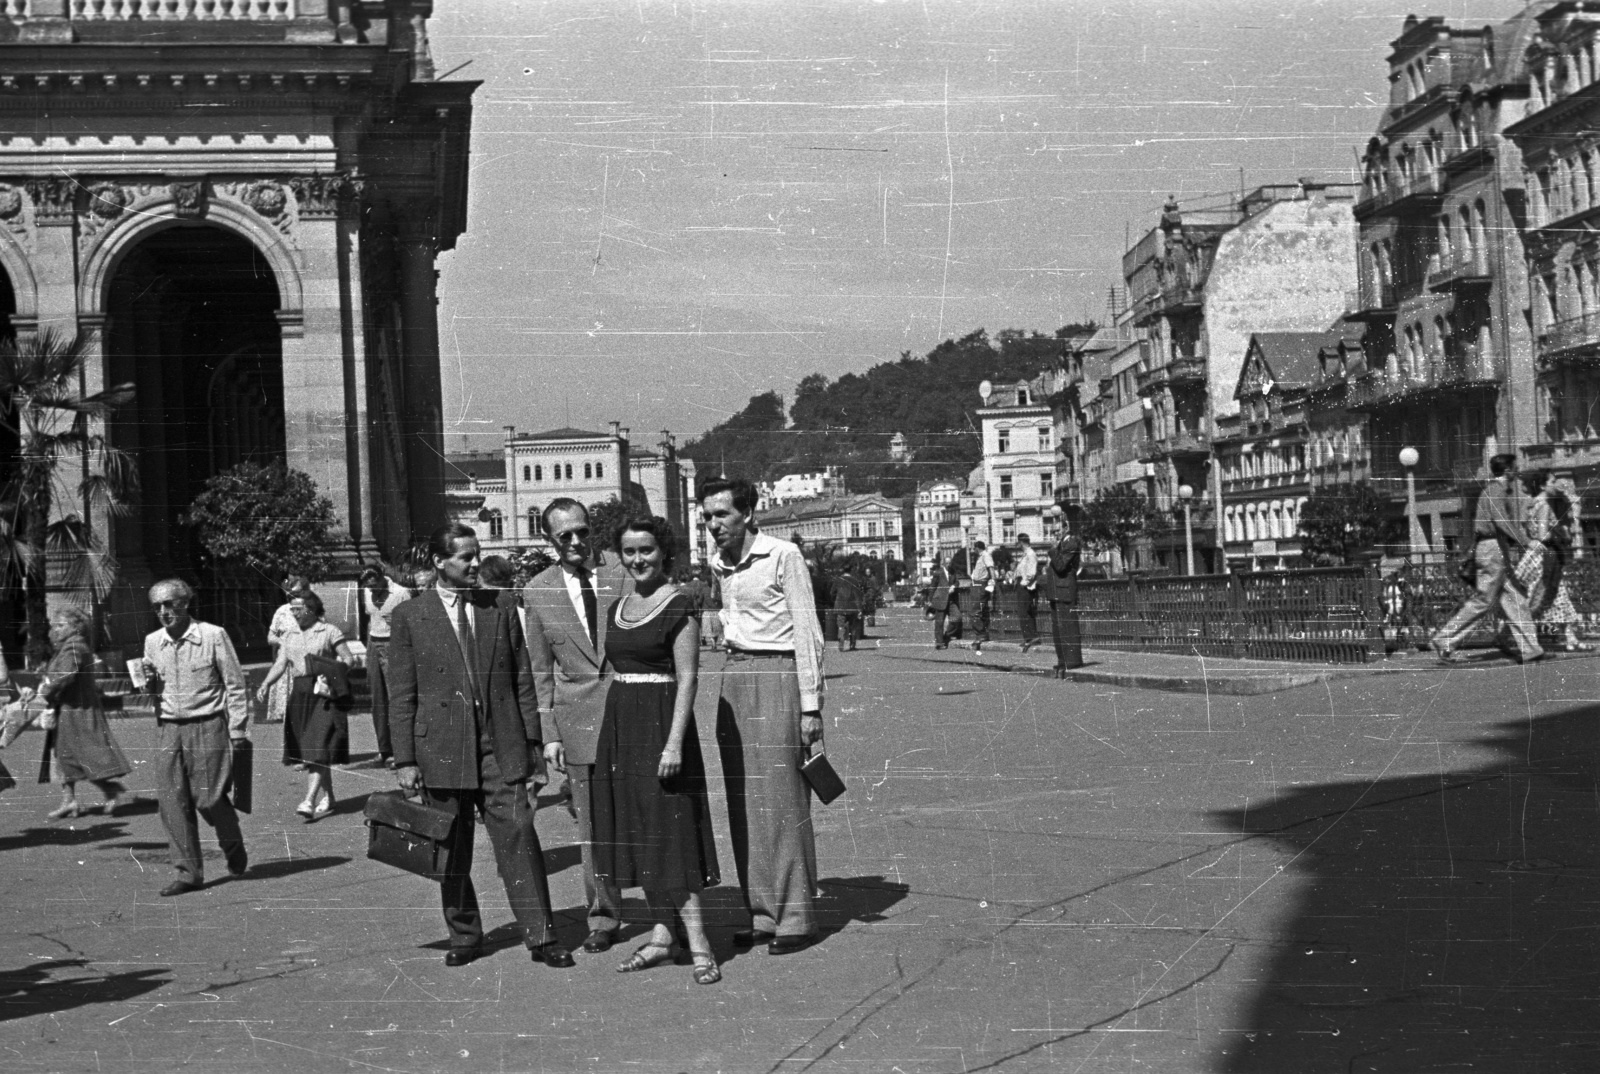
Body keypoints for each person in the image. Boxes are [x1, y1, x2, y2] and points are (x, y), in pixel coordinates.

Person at [390, 523, 571, 968]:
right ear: (438, 562)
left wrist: (532, 746)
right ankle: (465, 935)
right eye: (465, 557)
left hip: (500, 746)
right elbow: (402, 694)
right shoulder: (411, 617)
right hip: (442, 752)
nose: (475, 564)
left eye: (476, 555)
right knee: (450, 847)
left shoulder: (501, 606)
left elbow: (522, 681)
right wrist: (406, 759)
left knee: (520, 837)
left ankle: (542, 937)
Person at [591, 517, 722, 984]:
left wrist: (673, 743)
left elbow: (688, 677)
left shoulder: (679, 604)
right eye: (628, 552)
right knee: (637, 830)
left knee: (671, 833)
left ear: (663, 552)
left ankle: (700, 942)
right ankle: (663, 936)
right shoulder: (617, 607)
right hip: (621, 728)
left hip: (663, 729)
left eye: (646, 550)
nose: (637, 560)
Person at [701, 476, 825, 955]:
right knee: (744, 801)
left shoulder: (782, 556)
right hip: (733, 679)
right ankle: (761, 913)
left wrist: (810, 706)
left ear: (748, 513)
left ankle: (796, 915)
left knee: (783, 801)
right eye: (708, 517)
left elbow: (808, 633)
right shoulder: (720, 564)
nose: (714, 526)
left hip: (778, 677)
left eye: (723, 515)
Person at [523, 498, 628, 954]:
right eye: (564, 535)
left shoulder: (623, 571)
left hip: (632, 713)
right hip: (577, 721)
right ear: (549, 540)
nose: (576, 542)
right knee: (593, 825)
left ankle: (668, 910)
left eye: (583, 532)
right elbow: (539, 671)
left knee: (649, 813)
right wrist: (549, 736)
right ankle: (603, 916)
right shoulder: (538, 590)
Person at [142, 579, 250, 896]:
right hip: (169, 728)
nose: (163, 612)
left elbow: (235, 685)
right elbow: (152, 691)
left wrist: (238, 729)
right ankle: (187, 873)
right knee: (172, 802)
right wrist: (147, 684)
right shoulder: (152, 642)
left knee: (209, 797)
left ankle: (231, 841)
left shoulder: (213, 636)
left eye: (169, 604)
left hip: (207, 724)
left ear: (185, 603)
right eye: (157, 607)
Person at [14, 608, 130, 819]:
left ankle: (109, 789)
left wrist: (44, 692)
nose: (54, 630)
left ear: (75, 627)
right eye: (54, 625)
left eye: (60, 625)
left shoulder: (74, 646)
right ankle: (71, 800)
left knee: (83, 754)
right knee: (64, 754)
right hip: (69, 709)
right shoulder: (69, 646)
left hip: (76, 710)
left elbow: (64, 676)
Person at [1432, 454, 1544, 665]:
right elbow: (1501, 521)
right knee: (1484, 600)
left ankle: (1530, 649)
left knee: (1515, 599)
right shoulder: (1495, 490)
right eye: (1515, 468)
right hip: (1492, 548)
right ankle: (1444, 640)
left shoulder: (1493, 490)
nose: (1517, 472)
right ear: (1508, 471)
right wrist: (1525, 541)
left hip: (1495, 548)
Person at [255, 591, 354, 821]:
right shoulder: (289, 635)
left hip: (324, 695)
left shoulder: (330, 631)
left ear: (311, 608)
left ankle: (309, 800)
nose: (294, 613)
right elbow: (281, 664)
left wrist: (331, 676)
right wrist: (266, 684)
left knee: (317, 748)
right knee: (313, 750)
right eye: (292, 609)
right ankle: (328, 797)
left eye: (298, 608)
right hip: (300, 695)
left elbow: (348, 660)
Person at [1515, 473, 1591, 652]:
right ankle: (1518, 638)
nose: (1555, 484)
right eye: (1551, 481)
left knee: (1556, 596)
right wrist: (1561, 531)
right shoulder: (1544, 506)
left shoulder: (1529, 503)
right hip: (1545, 556)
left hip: (1532, 556)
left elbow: (1522, 528)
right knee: (1542, 596)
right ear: (1542, 486)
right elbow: (1543, 535)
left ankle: (1571, 639)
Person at [359, 566, 410, 768]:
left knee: (395, 698)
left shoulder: (400, 593)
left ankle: (401, 753)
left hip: (393, 644)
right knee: (377, 699)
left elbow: (410, 622)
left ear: (382, 579)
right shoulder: (366, 592)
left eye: (375, 587)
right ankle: (384, 749)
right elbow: (370, 620)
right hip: (373, 643)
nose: (372, 591)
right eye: (369, 588)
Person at [263, 575, 310, 724]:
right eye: (289, 593)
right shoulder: (281, 611)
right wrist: (282, 641)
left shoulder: (313, 611)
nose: (292, 596)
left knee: (305, 714)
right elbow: (270, 637)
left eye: (296, 593)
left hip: (304, 666)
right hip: (284, 667)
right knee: (287, 718)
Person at [1043, 524, 1085, 676]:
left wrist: (1053, 550)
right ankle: (1063, 660)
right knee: (1058, 629)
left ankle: (1072, 660)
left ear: (1067, 528)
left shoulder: (1071, 543)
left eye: (1057, 530)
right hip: (1057, 591)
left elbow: (1061, 566)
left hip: (1065, 591)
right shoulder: (1062, 544)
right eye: (1053, 530)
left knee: (1067, 626)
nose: (1054, 533)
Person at [1013, 534, 1041, 653]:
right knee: (1024, 611)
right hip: (1023, 585)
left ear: (1022, 542)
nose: (1018, 545)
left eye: (1018, 543)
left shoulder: (1030, 554)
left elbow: (1031, 571)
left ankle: (1031, 637)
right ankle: (1029, 637)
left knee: (1024, 611)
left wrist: (1024, 582)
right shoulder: (1025, 555)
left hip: (1027, 587)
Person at [927, 554, 959, 649]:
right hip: (940, 599)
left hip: (951, 601)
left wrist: (954, 586)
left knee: (957, 618)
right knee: (939, 623)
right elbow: (932, 587)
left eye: (950, 563)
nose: (949, 565)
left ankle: (946, 636)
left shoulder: (953, 571)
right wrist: (930, 600)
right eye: (947, 563)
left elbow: (957, 581)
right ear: (943, 563)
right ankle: (939, 643)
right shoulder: (938, 573)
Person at [970, 540, 995, 651]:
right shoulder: (980, 557)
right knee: (979, 610)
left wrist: (992, 582)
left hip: (981, 585)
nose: (973, 550)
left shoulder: (985, 555)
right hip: (976, 584)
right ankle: (981, 634)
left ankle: (981, 634)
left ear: (977, 548)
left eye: (974, 548)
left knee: (975, 611)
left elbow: (991, 569)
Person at [831, 566, 862, 652]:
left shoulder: (837, 580)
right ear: (851, 570)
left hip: (840, 606)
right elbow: (857, 596)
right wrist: (859, 609)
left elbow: (832, 593)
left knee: (841, 625)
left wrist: (836, 601)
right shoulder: (855, 581)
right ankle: (852, 644)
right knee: (853, 626)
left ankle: (841, 640)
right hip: (852, 607)